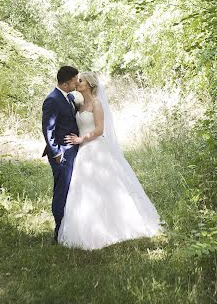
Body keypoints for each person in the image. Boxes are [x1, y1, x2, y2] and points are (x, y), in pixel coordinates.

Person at [58, 71, 163, 250]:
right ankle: (88, 227)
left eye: (81, 81)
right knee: (85, 188)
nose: (77, 83)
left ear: (89, 85)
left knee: (106, 186)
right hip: (84, 153)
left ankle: (117, 225)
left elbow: (99, 130)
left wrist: (80, 140)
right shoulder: (79, 104)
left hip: (95, 148)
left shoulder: (97, 105)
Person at [42, 65, 79, 241]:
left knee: (71, 189)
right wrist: (56, 152)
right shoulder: (52, 100)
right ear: (65, 83)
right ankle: (59, 232)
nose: (77, 83)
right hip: (61, 154)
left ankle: (69, 228)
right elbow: (48, 128)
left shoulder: (69, 97)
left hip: (73, 150)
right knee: (61, 190)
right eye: (74, 81)